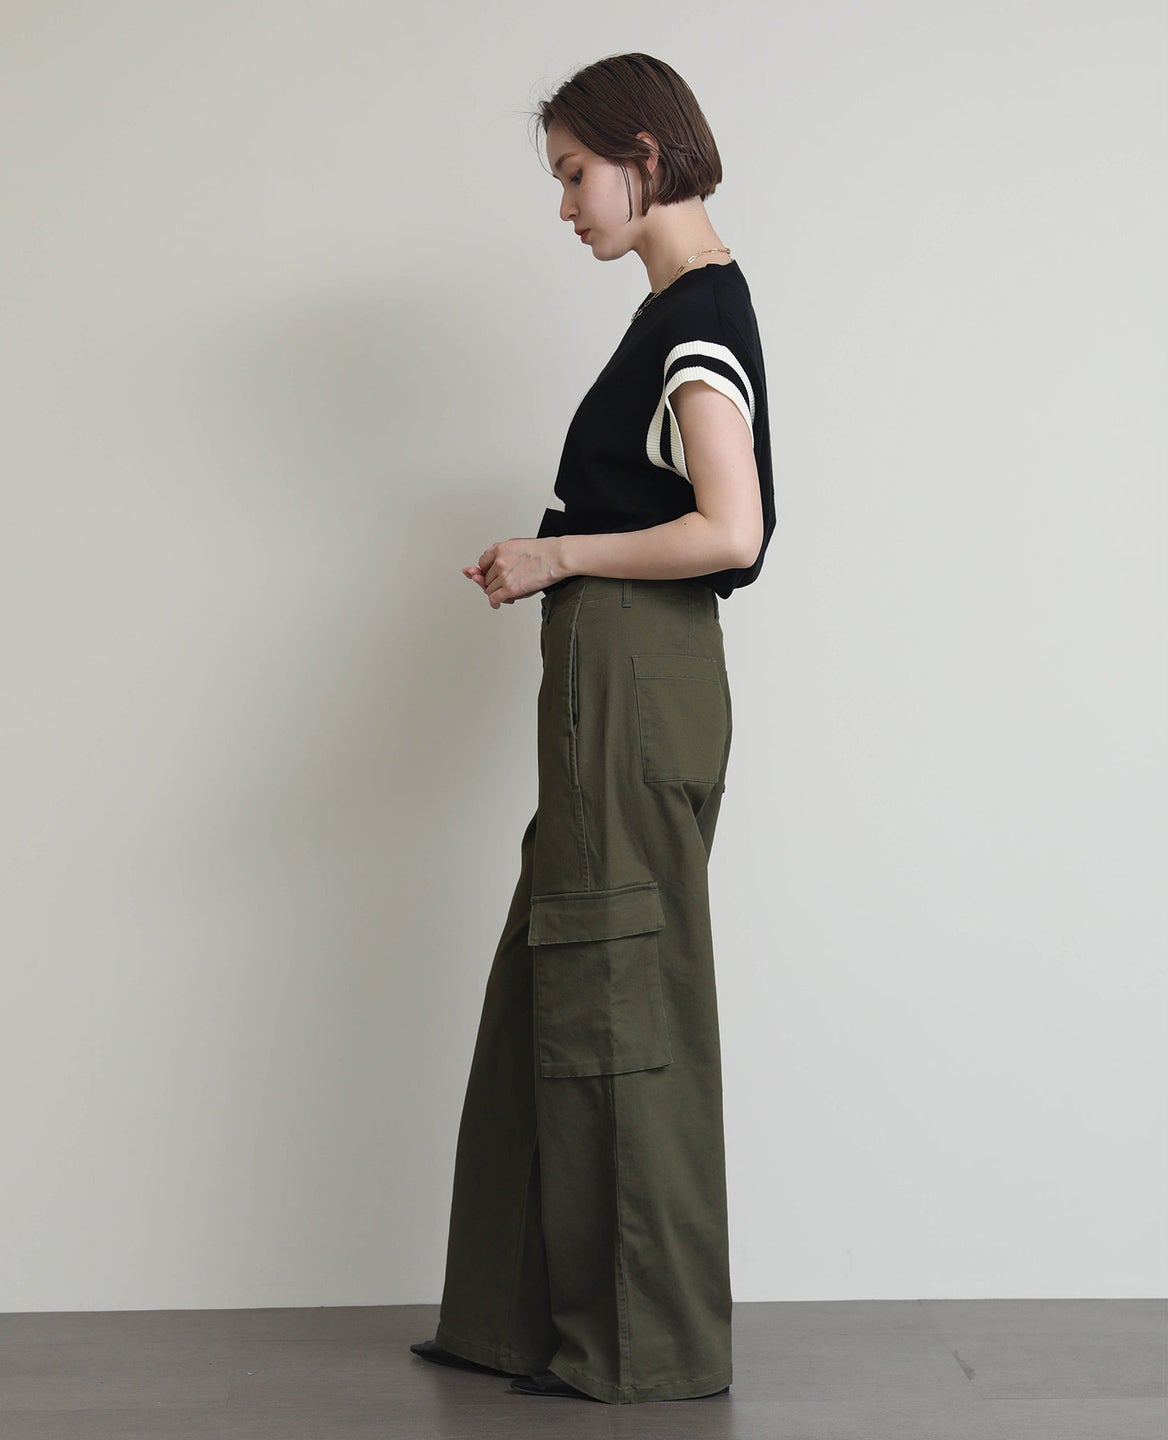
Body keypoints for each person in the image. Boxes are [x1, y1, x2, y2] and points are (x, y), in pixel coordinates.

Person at [411, 51, 775, 1405]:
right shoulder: (681, 310)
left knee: (617, 975)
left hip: (632, 667)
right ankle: (519, 1319)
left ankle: (639, 1341)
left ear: (644, 155)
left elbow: (731, 529)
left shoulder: (699, 315)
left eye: (575, 174)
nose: (565, 204)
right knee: (555, 966)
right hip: (614, 673)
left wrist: (557, 556)